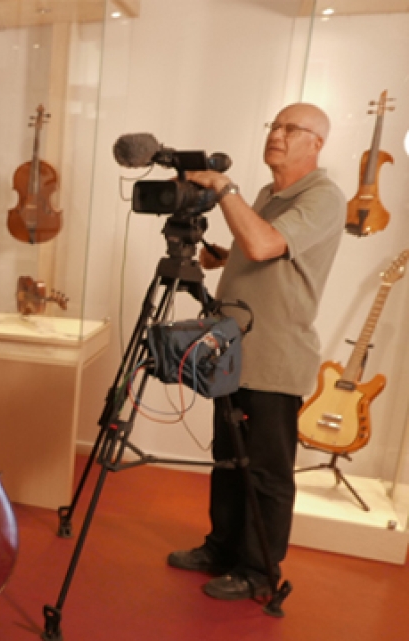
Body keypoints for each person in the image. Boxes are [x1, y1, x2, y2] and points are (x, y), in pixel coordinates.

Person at [169, 103, 344, 600]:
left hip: (276, 356)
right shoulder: (272, 193)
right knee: (228, 460)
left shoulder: (324, 197)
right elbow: (261, 253)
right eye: (275, 125)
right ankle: (222, 549)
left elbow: (267, 246)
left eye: (293, 129)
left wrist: (225, 189)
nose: (279, 135)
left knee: (265, 472)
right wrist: (226, 257)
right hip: (235, 350)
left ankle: (260, 571)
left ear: (317, 144)